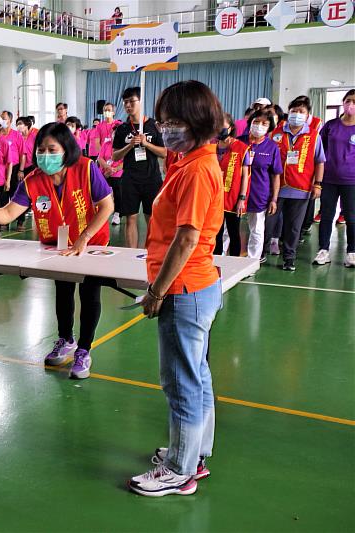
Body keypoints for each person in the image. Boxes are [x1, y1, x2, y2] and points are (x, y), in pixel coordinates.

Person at [129, 80, 225, 498]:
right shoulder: (189, 160)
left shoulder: (200, 170)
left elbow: (186, 238)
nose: (165, 128)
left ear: (198, 121)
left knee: (180, 380)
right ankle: (195, 454)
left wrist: (156, 292)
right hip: (197, 285)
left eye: (173, 121)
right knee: (197, 375)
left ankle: (179, 470)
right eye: (163, 119)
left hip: (184, 289)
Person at [0, 122, 114, 379]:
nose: (45, 155)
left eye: (52, 149)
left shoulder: (86, 168)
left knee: (89, 294)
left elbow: (107, 206)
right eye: (41, 149)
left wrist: (84, 238)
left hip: (91, 245)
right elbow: (8, 214)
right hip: (57, 248)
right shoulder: (32, 181)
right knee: (63, 292)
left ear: (66, 149)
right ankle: (66, 339)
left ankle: (84, 349)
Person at [265, 95, 326, 271]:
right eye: (293, 111)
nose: (297, 114)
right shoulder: (276, 132)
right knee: (269, 224)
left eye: (301, 111)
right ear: (288, 112)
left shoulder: (313, 136)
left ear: (308, 116)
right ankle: (260, 253)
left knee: (294, 228)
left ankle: (289, 258)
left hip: (301, 188)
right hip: (276, 189)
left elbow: (320, 161)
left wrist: (318, 184)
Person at [113, 86, 166, 248]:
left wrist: (146, 143)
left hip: (151, 178)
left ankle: (150, 253)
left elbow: (164, 152)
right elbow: (115, 156)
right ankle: (131, 255)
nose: (128, 105)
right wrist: (130, 145)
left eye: (131, 101)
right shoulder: (122, 129)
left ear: (140, 102)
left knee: (151, 218)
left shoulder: (153, 126)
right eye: (125, 102)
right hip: (130, 179)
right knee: (131, 218)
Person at [314, 89, 355, 267]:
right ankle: (323, 250)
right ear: (343, 102)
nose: (351, 105)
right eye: (348, 101)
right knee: (327, 215)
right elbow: (319, 153)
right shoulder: (330, 126)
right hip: (329, 179)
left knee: (352, 217)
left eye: (354, 101)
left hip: (351, 181)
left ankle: (352, 252)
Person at [239, 108, 282, 261]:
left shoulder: (272, 147)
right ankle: (226, 258)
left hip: (259, 194)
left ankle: (252, 261)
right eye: (256, 122)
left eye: (264, 123)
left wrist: (274, 199)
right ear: (250, 123)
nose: (259, 125)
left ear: (269, 127)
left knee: (256, 230)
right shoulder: (238, 141)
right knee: (227, 229)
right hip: (235, 194)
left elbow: (276, 175)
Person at [214, 114, 252, 257]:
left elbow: (245, 177)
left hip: (233, 198)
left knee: (233, 232)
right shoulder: (212, 147)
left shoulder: (242, 148)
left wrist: (242, 198)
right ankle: (216, 261)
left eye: (222, 126)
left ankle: (235, 262)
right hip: (215, 198)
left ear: (230, 128)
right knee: (215, 233)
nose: (219, 129)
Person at [0, 110, 26, 230]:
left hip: (15, 168)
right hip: (1, 169)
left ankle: (20, 221)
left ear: (10, 121)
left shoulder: (16, 135)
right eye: (1, 118)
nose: (2, 120)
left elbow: (22, 154)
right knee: (3, 196)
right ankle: (4, 221)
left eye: (4, 118)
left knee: (16, 195)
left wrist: (21, 170)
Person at [97, 123, 123, 226]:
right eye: (113, 133)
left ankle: (117, 214)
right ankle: (101, 214)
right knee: (102, 193)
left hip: (118, 173)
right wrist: (107, 168)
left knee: (118, 193)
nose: (115, 135)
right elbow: (100, 158)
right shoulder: (106, 144)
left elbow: (125, 162)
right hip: (104, 172)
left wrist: (114, 169)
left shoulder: (124, 146)